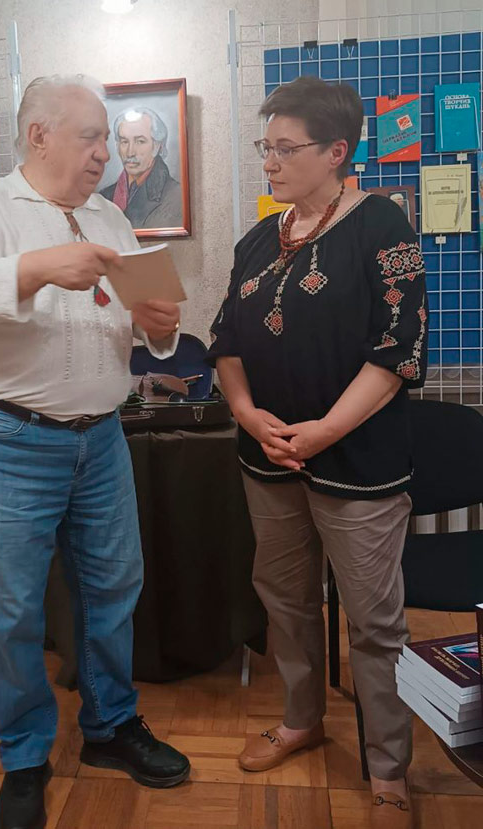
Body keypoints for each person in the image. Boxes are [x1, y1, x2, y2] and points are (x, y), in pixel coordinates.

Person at [0, 74, 190, 829]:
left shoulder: (111, 217)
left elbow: (143, 329)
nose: (106, 153)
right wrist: (37, 267)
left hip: (101, 437)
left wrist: (161, 326)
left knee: (114, 588)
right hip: (5, 439)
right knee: (10, 609)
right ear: (39, 135)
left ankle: (110, 727)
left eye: (108, 139)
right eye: (91, 137)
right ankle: (24, 757)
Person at [208, 76, 428, 829]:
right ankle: (301, 719)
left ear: (337, 151)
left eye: (284, 148)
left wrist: (326, 430)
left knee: (373, 621)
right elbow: (226, 341)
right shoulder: (257, 239)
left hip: (358, 465)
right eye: (264, 147)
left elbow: (398, 350)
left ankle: (388, 762)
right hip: (268, 458)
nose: (269, 162)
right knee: (286, 601)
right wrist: (247, 414)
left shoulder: (382, 225)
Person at [101, 107, 182, 228]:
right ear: (117, 146)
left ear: (157, 146)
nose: (130, 153)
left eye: (140, 141)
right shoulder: (104, 197)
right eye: (124, 142)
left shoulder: (177, 196)